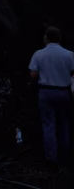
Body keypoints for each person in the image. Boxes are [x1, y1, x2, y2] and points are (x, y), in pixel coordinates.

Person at [29, 26, 74, 164]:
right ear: (59, 38)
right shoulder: (69, 54)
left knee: (48, 125)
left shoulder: (38, 54)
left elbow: (33, 74)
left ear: (46, 38)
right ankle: (65, 157)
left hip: (46, 92)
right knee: (64, 124)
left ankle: (51, 159)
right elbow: (72, 72)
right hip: (64, 92)